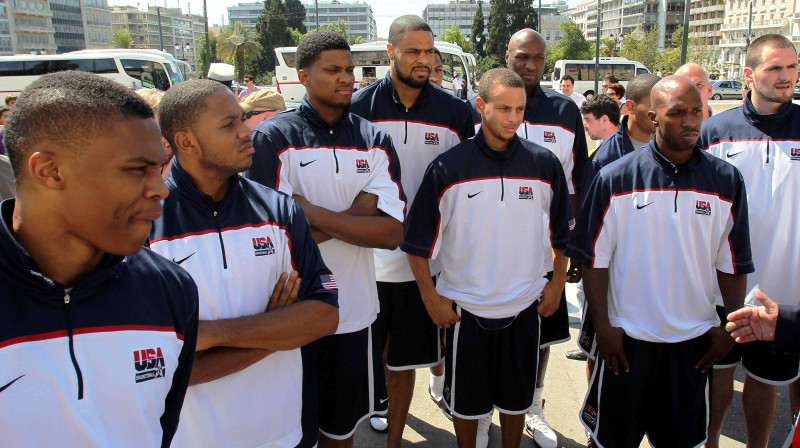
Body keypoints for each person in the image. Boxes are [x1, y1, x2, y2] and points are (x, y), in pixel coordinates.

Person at [0, 70, 198, 446]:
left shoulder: (169, 288)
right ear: (49, 170)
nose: (160, 189)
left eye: (159, 168)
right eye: (137, 169)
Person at [567, 75, 752, 448]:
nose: (690, 121)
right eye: (677, 113)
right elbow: (594, 261)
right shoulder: (615, 178)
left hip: (692, 346)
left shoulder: (725, 180)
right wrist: (604, 327)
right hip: (627, 344)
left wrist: (727, 327)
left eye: (696, 111)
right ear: (653, 118)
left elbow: (732, 263)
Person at [245, 31, 407, 448]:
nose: (346, 78)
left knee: (340, 430)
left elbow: (390, 233)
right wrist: (356, 217)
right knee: (292, 434)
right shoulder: (273, 137)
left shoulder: (374, 139)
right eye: (332, 70)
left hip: (353, 311)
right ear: (303, 75)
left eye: (349, 70)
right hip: (291, 312)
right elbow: (273, 238)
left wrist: (306, 212)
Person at [402, 67, 573, 448]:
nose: (514, 118)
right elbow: (417, 243)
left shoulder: (544, 164)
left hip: (524, 306)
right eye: (503, 108)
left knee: (516, 402)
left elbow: (561, 233)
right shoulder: (448, 167)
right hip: (467, 311)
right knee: (466, 405)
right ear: (481, 106)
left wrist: (557, 282)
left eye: (520, 109)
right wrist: (432, 299)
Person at [349, 15, 475, 447]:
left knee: (403, 362)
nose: (424, 60)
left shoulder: (457, 113)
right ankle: (374, 407)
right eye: (413, 51)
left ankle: (395, 440)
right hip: (364, 259)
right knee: (369, 359)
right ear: (391, 51)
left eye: (429, 51)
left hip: (425, 261)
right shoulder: (357, 109)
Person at [466, 28, 588, 448]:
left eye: (538, 58)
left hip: (544, 255)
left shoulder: (566, 110)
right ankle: (480, 413)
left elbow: (576, 183)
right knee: (484, 339)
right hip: (491, 252)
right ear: (507, 55)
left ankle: (533, 405)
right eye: (522, 57)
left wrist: (571, 249)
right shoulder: (480, 106)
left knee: (540, 338)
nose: (531, 65)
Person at [698, 34, 800, 448]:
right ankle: (709, 442)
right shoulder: (714, 132)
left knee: (766, 381)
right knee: (718, 376)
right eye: (775, 68)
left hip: (785, 292)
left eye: (792, 67)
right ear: (748, 74)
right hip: (723, 288)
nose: (786, 77)